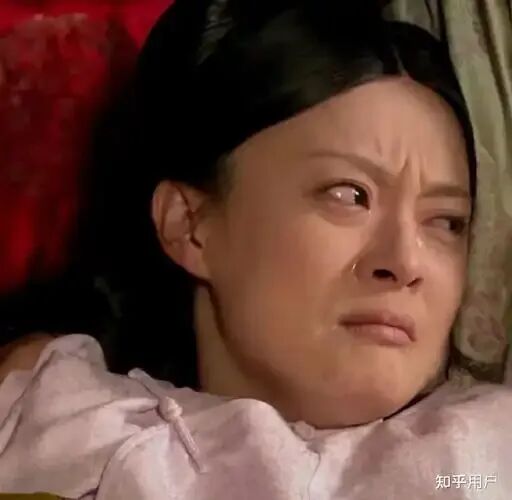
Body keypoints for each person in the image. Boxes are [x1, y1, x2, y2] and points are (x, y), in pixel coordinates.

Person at [1, 0, 511, 498]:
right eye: (348, 195)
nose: (405, 262)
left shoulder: (482, 461)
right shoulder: (60, 430)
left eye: (446, 221)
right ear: (189, 224)